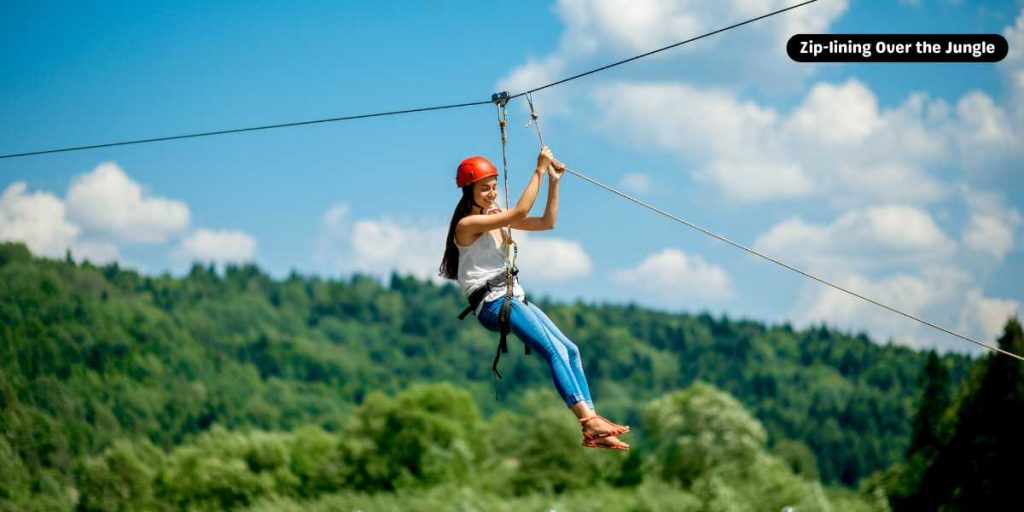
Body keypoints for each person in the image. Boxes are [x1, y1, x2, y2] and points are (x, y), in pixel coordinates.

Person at [438, 146, 630, 451]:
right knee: (553, 351)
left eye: (493, 187)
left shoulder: (495, 217)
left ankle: (594, 423)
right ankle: (587, 420)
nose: (491, 193)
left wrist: (553, 181)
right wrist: (538, 170)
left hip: (511, 296)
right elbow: (520, 212)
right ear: (468, 191)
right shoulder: (467, 225)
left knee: (570, 350)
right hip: (493, 303)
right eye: (484, 188)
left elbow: (546, 222)